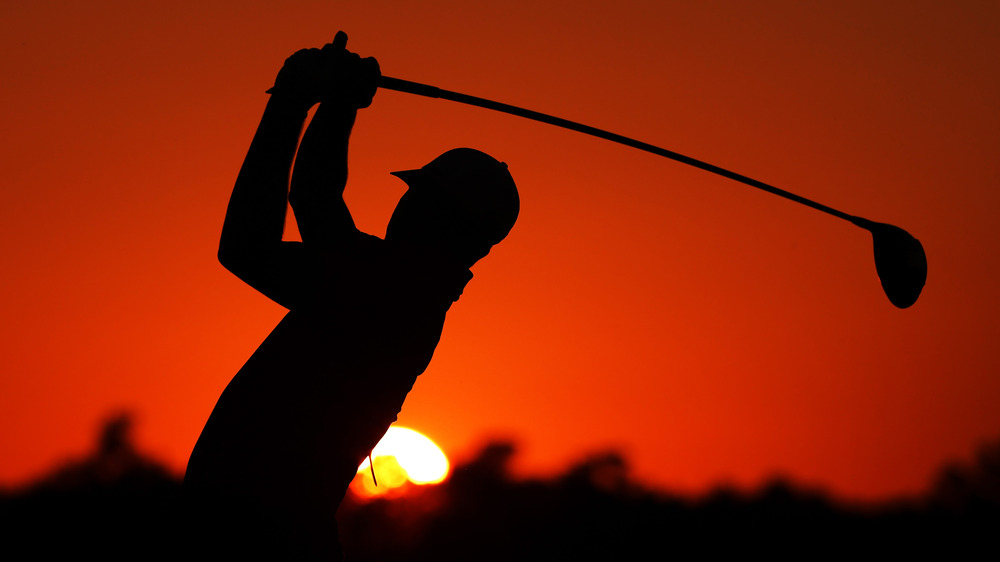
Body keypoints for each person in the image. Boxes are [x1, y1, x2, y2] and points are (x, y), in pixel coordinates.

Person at [183, 32, 519, 560]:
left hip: (261, 544)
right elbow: (316, 199)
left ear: (433, 214)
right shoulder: (400, 283)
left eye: (413, 195)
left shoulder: (393, 294)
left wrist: (297, 100)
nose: (400, 205)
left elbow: (248, 246)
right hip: (267, 535)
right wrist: (340, 104)